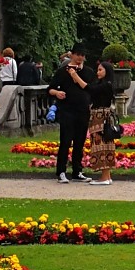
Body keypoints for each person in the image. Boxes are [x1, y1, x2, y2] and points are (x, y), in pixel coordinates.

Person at [48, 48, 94, 183]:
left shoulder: (88, 72)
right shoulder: (63, 72)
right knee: (66, 141)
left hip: (83, 110)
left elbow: (92, 89)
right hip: (67, 110)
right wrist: (57, 93)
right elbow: (50, 89)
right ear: (72, 55)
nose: (80, 58)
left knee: (79, 142)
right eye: (78, 55)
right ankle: (61, 171)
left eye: (82, 55)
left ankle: (77, 171)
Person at [83, 58, 118, 184]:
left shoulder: (105, 85)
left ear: (106, 71)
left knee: (100, 144)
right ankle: (107, 176)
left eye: (100, 70)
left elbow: (89, 89)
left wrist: (75, 76)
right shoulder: (106, 84)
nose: (98, 72)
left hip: (100, 117)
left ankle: (104, 177)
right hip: (103, 117)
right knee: (105, 144)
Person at [0, 46, 22, 130]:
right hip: (10, 80)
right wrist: (15, 79)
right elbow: (15, 72)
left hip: (1, 80)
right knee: (9, 98)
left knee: (0, 96)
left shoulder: (0, 61)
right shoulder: (12, 61)